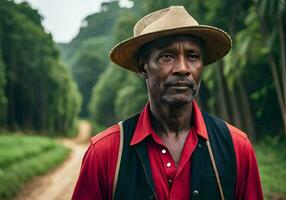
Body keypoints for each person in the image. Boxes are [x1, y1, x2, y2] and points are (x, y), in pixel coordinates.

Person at [72, 6, 264, 200]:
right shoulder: (105, 152)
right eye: (167, 56)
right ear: (143, 66)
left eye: (193, 57)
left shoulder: (236, 147)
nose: (182, 68)